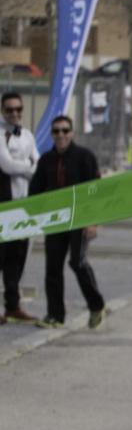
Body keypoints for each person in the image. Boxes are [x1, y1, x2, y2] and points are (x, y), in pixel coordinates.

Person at [29, 116, 106, 330]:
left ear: (71, 133)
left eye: (65, 131)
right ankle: (55, 315)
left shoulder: (84, 157)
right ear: (52, 134)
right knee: (52, 267)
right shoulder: (46, 160)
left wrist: (93, 222)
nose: (61, 135)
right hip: (56, 220)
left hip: (80, 219)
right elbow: (35, 191)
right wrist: (32, 219)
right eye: (56, 131)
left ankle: (96, 305)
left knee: (77, 261)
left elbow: (96, 191)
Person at [1, 90, 39, 321]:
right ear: (3, 111)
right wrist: (28, 165)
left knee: (18, 257)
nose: (14, 113)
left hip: (24, 205)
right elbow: (6, 165)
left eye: (18, 109)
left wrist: (22, 165)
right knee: (2, 255)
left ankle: (12, 305)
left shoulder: (27, 135)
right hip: (4, 204)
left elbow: (38, 163)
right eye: (9, 109)